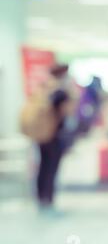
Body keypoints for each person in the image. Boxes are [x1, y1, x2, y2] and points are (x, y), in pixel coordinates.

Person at [35, 64, 76, 211]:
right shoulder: (60, 91)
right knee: (51, 166)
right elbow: (66, 112)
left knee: (43, 165)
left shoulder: (44, 88)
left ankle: (41, 196)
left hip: (42, 133)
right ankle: (48, 197)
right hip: (54, 135)